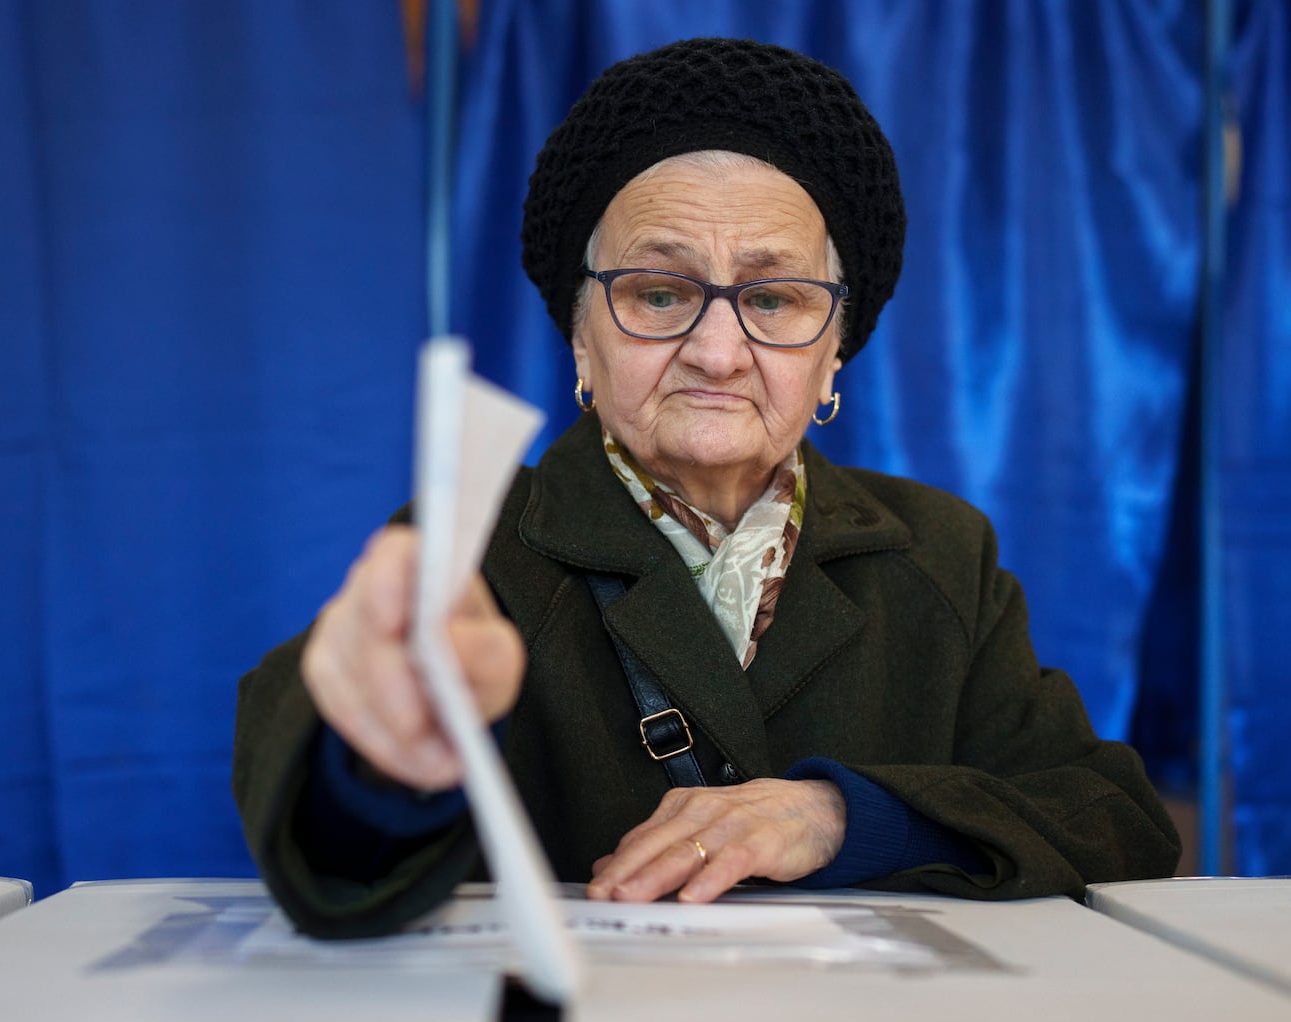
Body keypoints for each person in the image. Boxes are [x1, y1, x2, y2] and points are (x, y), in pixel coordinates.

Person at [233, 37, 1181, 939]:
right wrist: (379, 759)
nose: (718, 352)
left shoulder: (939, 554)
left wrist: (841, 816)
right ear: (580, 336)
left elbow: (1111, 818)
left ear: (834, 352)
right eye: (658, 293)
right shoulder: (472, 546)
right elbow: (330, 839)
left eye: (772, 300)